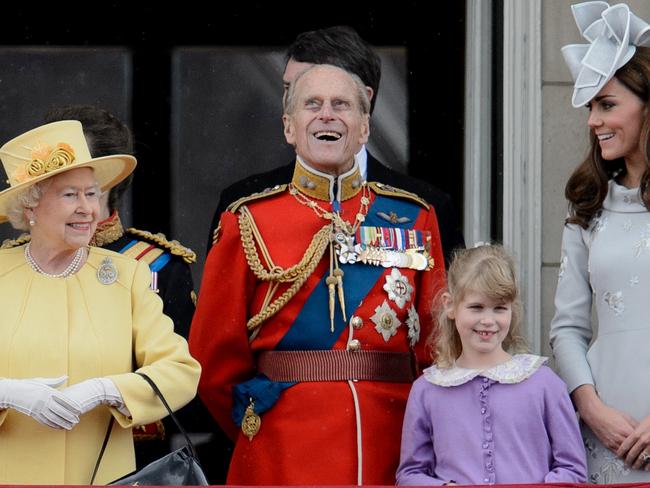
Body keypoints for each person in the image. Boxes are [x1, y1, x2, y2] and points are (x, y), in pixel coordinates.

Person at [189, 64, 446, 484]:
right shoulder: (248, 219)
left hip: (395, 443)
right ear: (289, 127)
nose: (327, 114)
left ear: (364, 127)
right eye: (313, 104)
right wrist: (259, 427)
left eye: (341, 105)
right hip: (283, 450)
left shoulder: (414, 217)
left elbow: (437, 346)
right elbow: (213, 360)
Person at [0, 120, 200, 484]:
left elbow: (181, 372)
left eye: (91, 194)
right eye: (69, 195)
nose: (87, 209)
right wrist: (9, 394)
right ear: (30, 206)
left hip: (102, 477)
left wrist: (106, 389)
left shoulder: (128, 276)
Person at [206, 25, 464, 266]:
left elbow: (446, 309)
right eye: (288, 89)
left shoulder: (427, 208)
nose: (289, 101)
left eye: (335, 100)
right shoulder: (241, 207)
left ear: (363, 100)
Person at [551, 1, 650, 483]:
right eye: (592, 106)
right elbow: (567, 328)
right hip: (602, 439)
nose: (593, 120)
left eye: (607, 104)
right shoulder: (587, 208)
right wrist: (589, 407)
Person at [397, 245, 587, 485]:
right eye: (476, 307)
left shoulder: (545, 385)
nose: (488, 321)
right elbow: (410, 475)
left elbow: (573, 469)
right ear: (450, 305)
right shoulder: (427, 390)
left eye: (499, 308)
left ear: (512, 309)